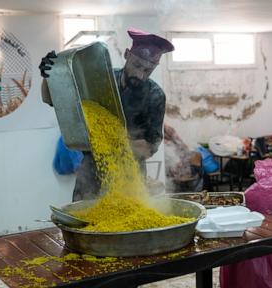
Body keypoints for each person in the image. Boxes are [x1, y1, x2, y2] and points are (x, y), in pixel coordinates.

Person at [39, 27, 174, 201]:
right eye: (137, 65)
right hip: (91, 171)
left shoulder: (155, 95)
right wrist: (48, 75)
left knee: (125, 224)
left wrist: (110, 143)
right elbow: (50, 99)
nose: (140, 75)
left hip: (129, 175)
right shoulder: (101, 79)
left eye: (148, 70)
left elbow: (149, 147)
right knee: (85, 221)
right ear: (127, 55)